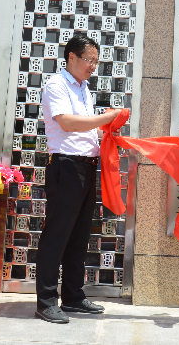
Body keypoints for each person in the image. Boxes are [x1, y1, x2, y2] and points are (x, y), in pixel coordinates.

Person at [35, 35, 122, 324]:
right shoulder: (57, 85)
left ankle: (73, 296)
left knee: (79, 236)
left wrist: (108, 133)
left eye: (96, 61)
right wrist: (106, 118)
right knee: (57, 235)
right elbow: (67, 123)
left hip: (86, 167)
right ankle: (46, 301)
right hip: (66, 167)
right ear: (71, 57)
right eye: (89, 60)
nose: (93, 66)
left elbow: (87, 129)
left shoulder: (84, 88)